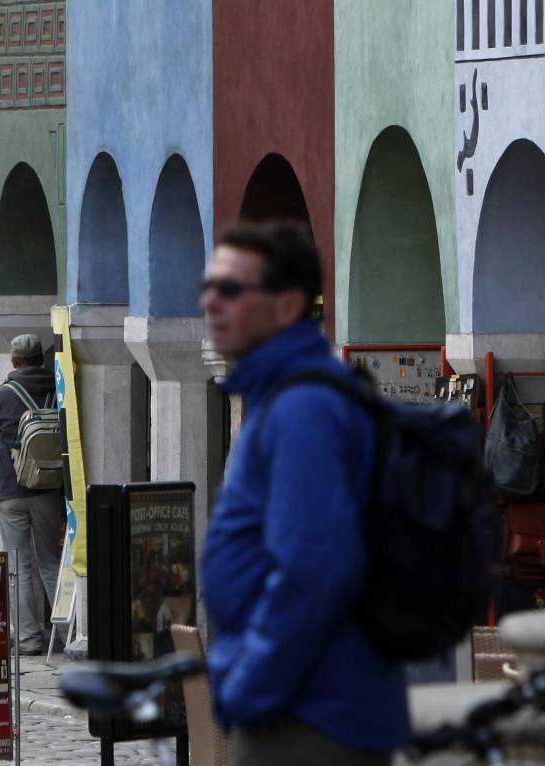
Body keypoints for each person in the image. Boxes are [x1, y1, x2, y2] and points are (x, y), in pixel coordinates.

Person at [200, 221, 407, 766]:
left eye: (231, 289)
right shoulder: (284, 396)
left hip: (311, 714)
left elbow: (313, 567)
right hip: (305, 701)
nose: (210, 303)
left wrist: (248, 684)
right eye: (208, 287)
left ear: (288, 305)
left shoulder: (302, 408)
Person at [0, 332, 63, 655]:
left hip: (11, 489)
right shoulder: (58, 388)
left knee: (19, 564)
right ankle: (66, 635)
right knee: (51, 561)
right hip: (50, 487)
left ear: (15, 361)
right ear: (41, 358)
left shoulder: (6, 394)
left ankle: (28, 638)